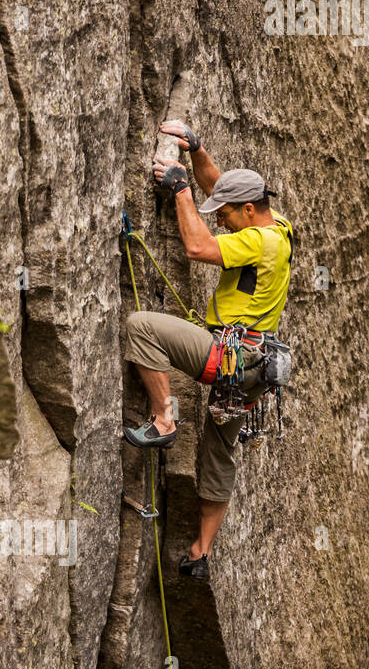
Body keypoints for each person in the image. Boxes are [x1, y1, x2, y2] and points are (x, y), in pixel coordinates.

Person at [123, 121, 293, 581]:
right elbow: (222, 189)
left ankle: (163, 420)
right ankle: (201, 552)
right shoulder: (278, 227)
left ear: (250, 210)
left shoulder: (260, 242)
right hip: (255, 371)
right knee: (219, 453)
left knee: (142, 328)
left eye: (226, 213)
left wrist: (181, 191)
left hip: (228, 357)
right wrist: (196, 152)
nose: (218, 216)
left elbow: (198, 247)